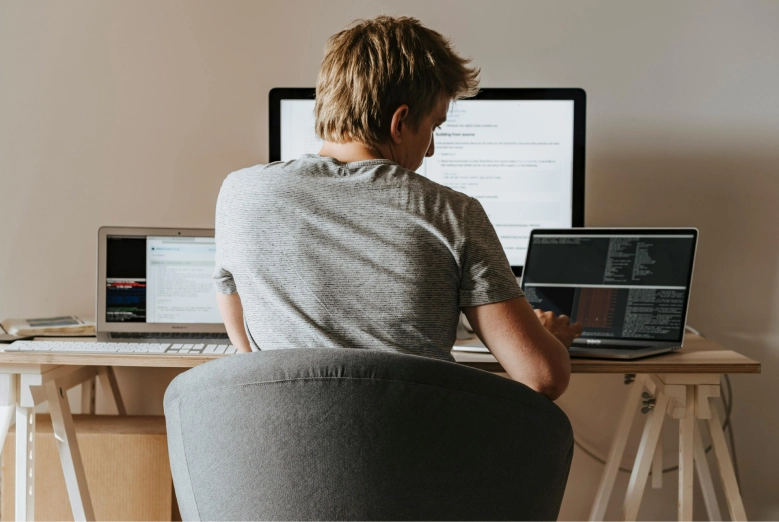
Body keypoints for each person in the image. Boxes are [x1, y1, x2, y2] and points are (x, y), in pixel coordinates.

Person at [213, 15, 581, 400]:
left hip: (278, 451)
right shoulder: (453, 212)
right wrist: (548, 340)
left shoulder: (240, 193)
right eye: (434, 127)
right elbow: (542, 377)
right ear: (400, 122)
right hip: (413, 455)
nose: (432, 148)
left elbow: (249, 355)